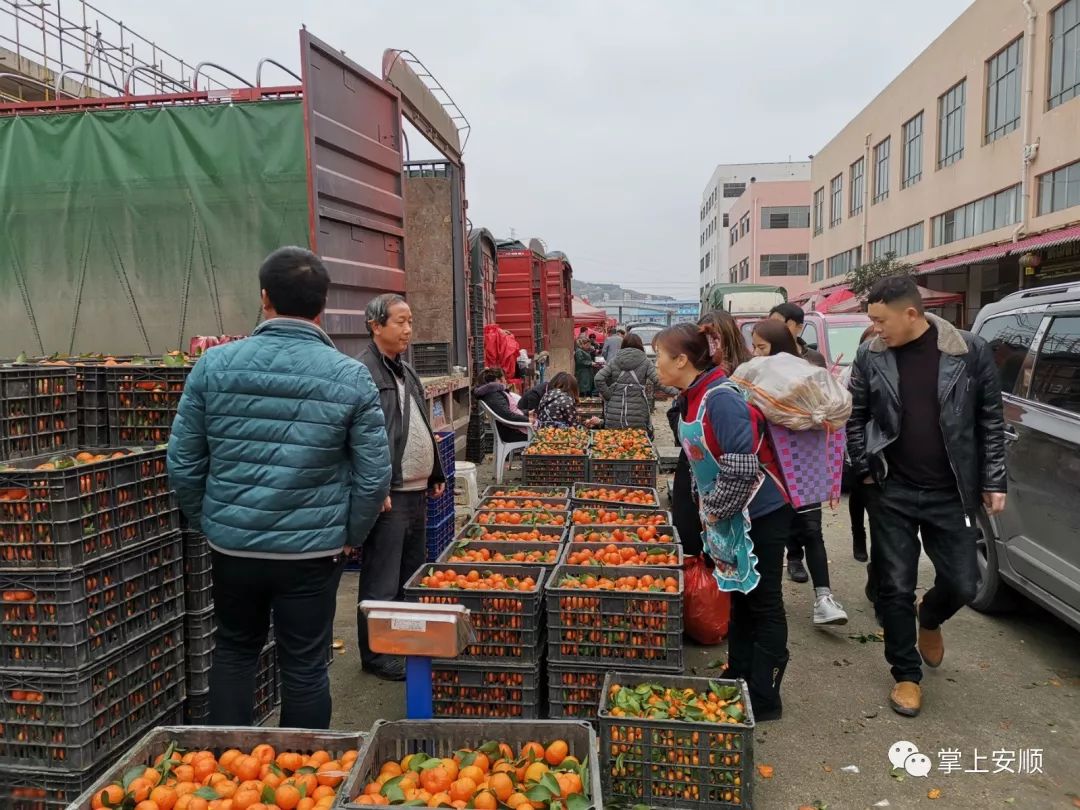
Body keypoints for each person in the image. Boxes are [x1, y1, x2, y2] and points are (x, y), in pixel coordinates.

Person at [167, 246, 391, 728]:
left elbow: (183, 461)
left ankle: (227, 772)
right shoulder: (349, 376)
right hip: (313, 553)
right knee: (306, 666)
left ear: (264, 298)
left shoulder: (214, 366)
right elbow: (375, 475)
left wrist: (210, 520)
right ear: (323, 305)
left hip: (234, 546)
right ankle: (305, 780)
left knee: (233, 652)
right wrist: (349, 533)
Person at [848, 275, 1006, 718]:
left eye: (881, 320)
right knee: (893, 587)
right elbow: (855, 417)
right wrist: (863, 471)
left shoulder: (968, 351)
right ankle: (905, 675)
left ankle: (930, 617)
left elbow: (990, 421)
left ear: (911, 313)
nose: (875, 329)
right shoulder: (871, 356)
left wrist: (994, 480)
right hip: (892, 488)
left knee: (963, 582)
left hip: (950, 490)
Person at [654, 322, 794, 721]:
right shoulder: (692, 396)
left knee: (764, 601)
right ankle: (739, 672)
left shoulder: (721, 398)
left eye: (660, 356)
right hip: (729, 516)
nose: (656, 364)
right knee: (740, 595)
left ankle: (766, 696)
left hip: (760, 514)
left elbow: (743, 469)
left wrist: (712, 510)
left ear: (682, 360)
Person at [356, 293, 448, 681]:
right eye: (400, 322)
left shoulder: (405, 371)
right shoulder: (363, 372)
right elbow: (365, 438)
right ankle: (376, 655)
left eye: (411, 321)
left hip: (416, 491)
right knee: (381, 578)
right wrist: (377, 488)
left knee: (410, 574)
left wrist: (436, 473)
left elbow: (420, 425)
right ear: (376, 326)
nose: (409, 329)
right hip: (389, 494)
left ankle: (403, 645)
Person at [750, 320, 849, 626]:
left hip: (803, 466)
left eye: (761, 347)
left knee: (811, 529)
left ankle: (824, 598)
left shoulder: (807, 376)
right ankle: (770, 602)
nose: (756, 353)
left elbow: (836, 410)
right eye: (754, 346)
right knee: (773, 536)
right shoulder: (753, 374)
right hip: (770, 473)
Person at [668, 312, 752, 557]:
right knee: (691, 539)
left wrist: (713, 509)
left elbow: (741, 460)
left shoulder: (738, 377)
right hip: (694, 467)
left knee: (726, 551)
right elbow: (677, 418)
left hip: (724, 477)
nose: (710, 345)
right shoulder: (695, 375)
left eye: (715, 338)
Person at [840, 326, 877, 563]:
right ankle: (858, 535)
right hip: (857, 442)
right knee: (859, 493)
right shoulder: (851, 373)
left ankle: (877, 550)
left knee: (878, 504)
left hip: (882, 445)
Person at [594, 333, 663, 432]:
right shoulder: (646, 361)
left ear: (623, 345)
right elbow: (658, 381)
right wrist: (676, 392)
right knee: (637, 441)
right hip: (638, 409)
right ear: (640, 345)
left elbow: (598, 378)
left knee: (613, 439)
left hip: (615, 408)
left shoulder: (614, 360)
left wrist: (608, 395)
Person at [474, 367, 529, 442]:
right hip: (511, 432)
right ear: (498, 380)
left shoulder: (493, 393)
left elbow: (509, 411)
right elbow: (507, 415)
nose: (506, 381)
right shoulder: (494, 395)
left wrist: (527, 413)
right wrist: (528, 419)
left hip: (511, 428)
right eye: (504, 379)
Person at [769, 303, 827, 368]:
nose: (775, 328)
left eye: (781, 324)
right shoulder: (765, 355)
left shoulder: (815, 358)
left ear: (799, 327)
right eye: (771, 324)